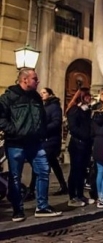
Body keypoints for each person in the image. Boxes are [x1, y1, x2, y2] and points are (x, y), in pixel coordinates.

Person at [0, 68, 62, 221]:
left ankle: (42, 206)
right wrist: (14, 131)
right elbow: (1, 118)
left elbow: (40, 117)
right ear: (25, 80)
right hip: (16, 144)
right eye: (35, 78)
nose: (38, 81)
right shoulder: (8, 97)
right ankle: (17, 210)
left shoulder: (36, 97)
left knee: (43, 171)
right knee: (15, 177)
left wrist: (41, 132)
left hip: (36, 143)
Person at [28, 88, 68, 198]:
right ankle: (63, 185)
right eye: (40, 93)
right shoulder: (42, 106)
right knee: (53, 163)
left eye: (44, 92)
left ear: (50, 94)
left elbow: (56, 122)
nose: (42, 94)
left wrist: (43, 129)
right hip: (43, 139)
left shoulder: (54, 107)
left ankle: (31, 190)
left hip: (50, 140)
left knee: (39, 164)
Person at [66, 88, 95, 207]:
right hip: (77, 144)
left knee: (83, 171)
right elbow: (73, 128)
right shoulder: (74, 110)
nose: (90, 99)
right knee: (75, 170)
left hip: (86, 145)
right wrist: (86, 135)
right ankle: (73, 196)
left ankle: (80, 194)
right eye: (87, 96)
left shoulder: (86, 110)